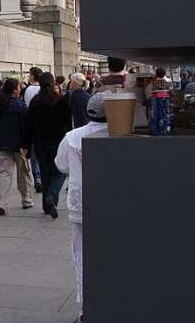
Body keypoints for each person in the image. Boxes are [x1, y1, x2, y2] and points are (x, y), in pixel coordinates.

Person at [55, 93, 109, 323]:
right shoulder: (119, 136)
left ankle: (86, 308)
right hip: (110, 205)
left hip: (80, 204)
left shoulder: (72, 136)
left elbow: (61, 165)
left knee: (82, 256)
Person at [26, 72, 72, 219]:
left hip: (39, 142)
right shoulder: (61, 101)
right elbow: (68, 125)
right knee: (59, 172)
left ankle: (47, 205)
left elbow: (29, 125)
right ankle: (51, 197)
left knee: (45, 173)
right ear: (53, 84)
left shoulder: (35, 101)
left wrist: (27, 144)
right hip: (58, 142)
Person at [0, 78, 34, 215]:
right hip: (20, 145)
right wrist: (27, 145)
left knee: (5, 173)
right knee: (24, 173)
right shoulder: (21, 106)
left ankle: (2, 202)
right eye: (19, 87)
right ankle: (26, 199)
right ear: (15, 90)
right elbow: (26, 128)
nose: (20, 89)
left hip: (3, 144)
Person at [22, 67, 43, 193]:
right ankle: (43, 177)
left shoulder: (28, 90)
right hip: (44, 125)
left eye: (30, 75)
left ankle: (37, 178)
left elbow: (25, 106)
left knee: (34, 154)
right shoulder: (43, 89)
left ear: (33, 76)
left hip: (32, 124)